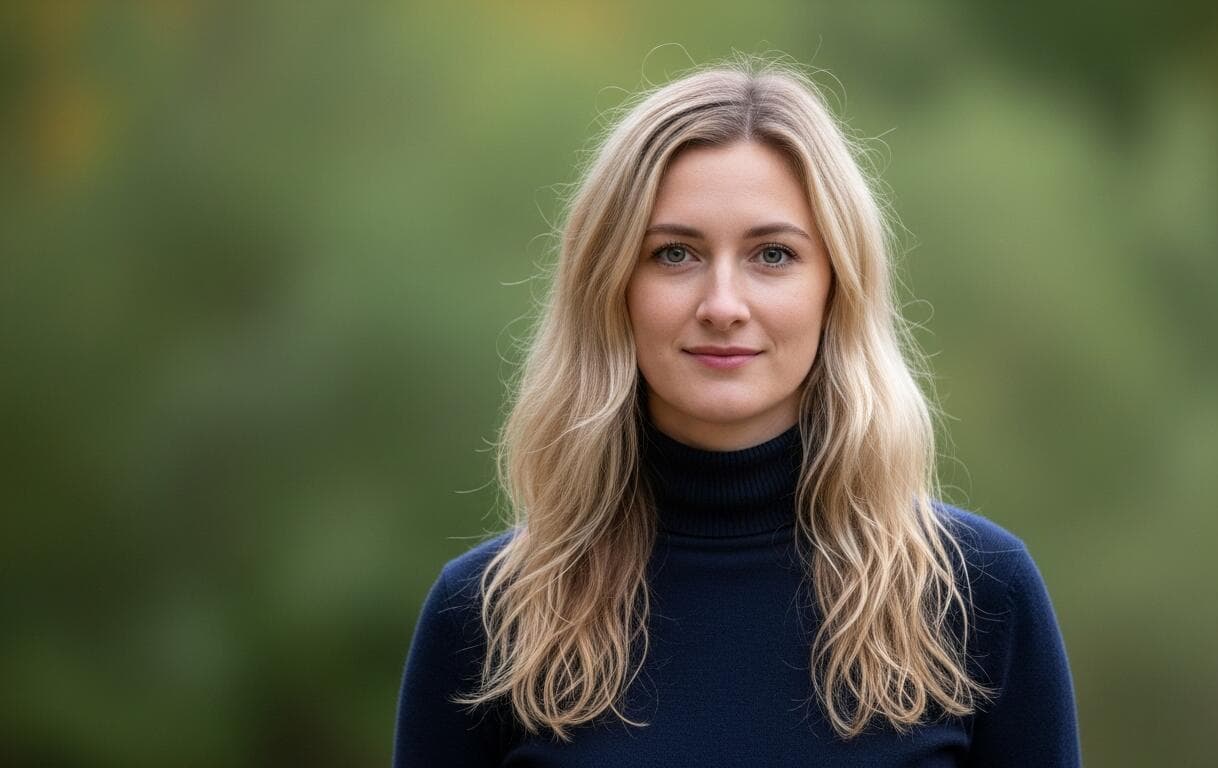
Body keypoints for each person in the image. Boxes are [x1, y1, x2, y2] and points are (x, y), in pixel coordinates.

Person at [394, 58, 1080, 766]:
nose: (723, 305)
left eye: (773, 254)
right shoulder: (486, 615)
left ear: (836, 287)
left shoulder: (977, 595)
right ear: (611, 286)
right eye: (675, 253)